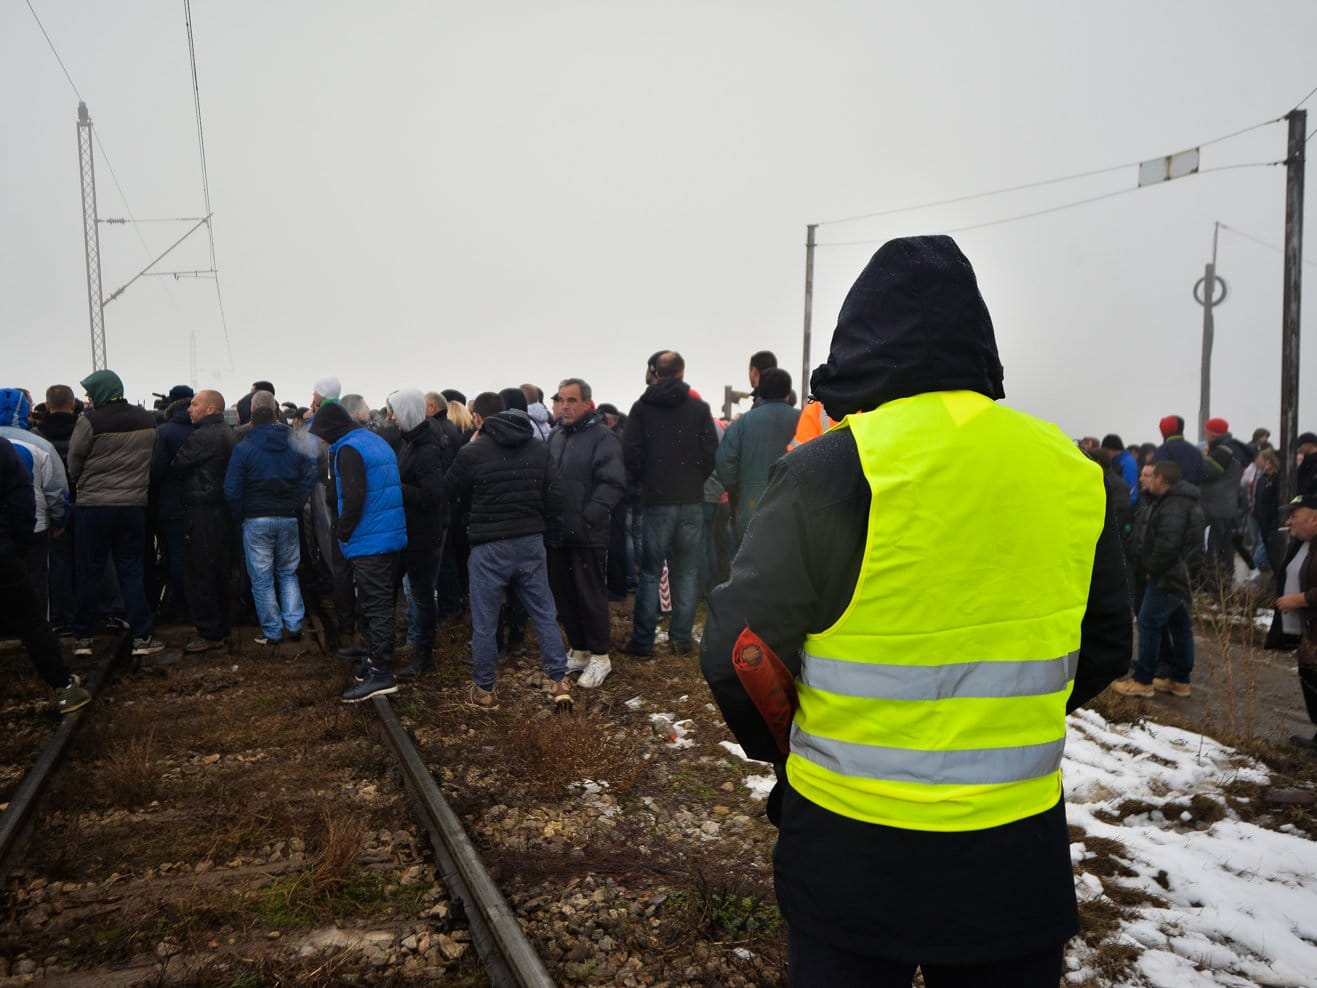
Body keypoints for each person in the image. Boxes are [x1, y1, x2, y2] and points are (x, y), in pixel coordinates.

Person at [700, 236, 1130, 986]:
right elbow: (1102, 647)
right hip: (1013, 853)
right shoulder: (1071, 468)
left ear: (856, 341)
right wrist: (997, 726)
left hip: (850, 849)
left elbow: (739, 650)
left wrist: (787, 749)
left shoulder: (828, 469)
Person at [444, 393, 572, 710]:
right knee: (543, 612)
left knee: (486, 620)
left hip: (488, 545)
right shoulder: (539, 448)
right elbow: (557, 497)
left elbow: (448, 491)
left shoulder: (474, 451)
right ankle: (560, 681)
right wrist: (548, 533)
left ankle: (485, 689)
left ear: (481, 422)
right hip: (530, 540)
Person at [309, 399, 408, 701]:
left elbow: (353, 496)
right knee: (379, 602)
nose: (322, 440)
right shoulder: (374, 442)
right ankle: (375, 658)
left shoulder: (349, 450)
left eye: (322, 434)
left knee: (375, 605)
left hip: (369, 539)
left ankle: (381, 672)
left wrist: (343, 532)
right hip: (388, 535)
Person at [621, 351, 718, 657]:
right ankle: (681, 639)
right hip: (690, 498)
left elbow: (631, 453)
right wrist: (692, 479)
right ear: (682, 372)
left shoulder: (642, 408)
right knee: (686, 571)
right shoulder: (698, 408)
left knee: (650, 571)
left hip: (658, 499)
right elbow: (709, 452)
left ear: (654, 373)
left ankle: (643, 641)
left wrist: (648, 480)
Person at [67, 370, 165, 657]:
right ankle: (142, 636)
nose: (87, 398)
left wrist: (82, 483)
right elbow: (151, 459)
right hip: (133, 506)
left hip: (94, 507)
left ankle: (83, 637)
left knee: (89, 570)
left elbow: (75, 460)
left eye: (89, 393)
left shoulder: (90, 421)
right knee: (131, 571)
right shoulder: (147, 419)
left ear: (99, 392)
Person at [0, 437, 90, 714]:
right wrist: (18, 542)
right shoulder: (5, 448)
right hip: (3, 552)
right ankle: (64, 688)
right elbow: (21, 500)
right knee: (31, 621)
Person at [546, 377, 625, 689]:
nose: (565, 406)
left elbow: (612, 482)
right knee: (564, 596)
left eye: (571, 400)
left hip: (588, 534)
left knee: (590, 595)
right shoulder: (555, 436)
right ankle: (579, 649)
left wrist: (590, 519)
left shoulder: (602, 437)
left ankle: (601, 656)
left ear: (587, 404)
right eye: (561, 400)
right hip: (557, 532)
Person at [224, 391, 315, 646]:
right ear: (277, 414)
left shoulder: (244, 448)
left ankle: (272, 631)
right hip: (288, 517)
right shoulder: (294, 443)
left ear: (251, 414)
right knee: (288, 573)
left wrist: (241, 514)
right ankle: (295, 623)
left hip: (256, 518)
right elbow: (308, 476)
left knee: (262, 578)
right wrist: (295, 503)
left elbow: (231, 488)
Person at [1112, 461, 1205, 698]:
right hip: (1181, 574)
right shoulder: (1179, 501)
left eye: (1152, 477)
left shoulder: (1173, 505)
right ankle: (1179, 679)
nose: (1147, 481)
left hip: (1168, 576)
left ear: (1162, 480)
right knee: (1180, 625)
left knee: (1148, 622)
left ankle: (1143, 680)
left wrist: (1152, 569)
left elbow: (1168, 544)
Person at [386, 388, 447, 681]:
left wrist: (395, 489)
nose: (391, 417)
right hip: (409, 532)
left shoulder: (426, 447)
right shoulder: (410, 441)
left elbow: (432, 493)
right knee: (412, 595)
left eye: (395, 411)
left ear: (408, 411)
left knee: (422, 597)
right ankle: (413, 643)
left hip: (423, 536)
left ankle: (425, 656)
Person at [172, 390, 236, 652]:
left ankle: (210, 634)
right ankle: (221, 627)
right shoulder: (229, 432)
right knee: (220, 571)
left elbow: (177, 465)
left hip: (202, 510)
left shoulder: (202, 436)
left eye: (195, 404)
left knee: (201, 572)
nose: (189, 409)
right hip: (222, 511)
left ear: (211, 409)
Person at [715, 367, 798, 541]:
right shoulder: (803, 420)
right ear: (787, 393)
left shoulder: (742, 423)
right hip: (794, 507)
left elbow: (724, 463)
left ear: (761, 392)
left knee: (752, 563)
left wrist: (739, 491)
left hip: (751, 505)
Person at [1268, 493, 1317, 751]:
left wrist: (1300, 599)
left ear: (1314, 519)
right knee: (1310, 678)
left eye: (1294, 516)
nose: (1289, 521)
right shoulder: (1301, 544)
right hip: (1307, 630)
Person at [1151, 415, 1206, 484]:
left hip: (1171, 493)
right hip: (1194, 492)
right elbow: (1202, 476)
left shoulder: (1163, 450)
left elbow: (1156, 477)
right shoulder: (1196, 451)